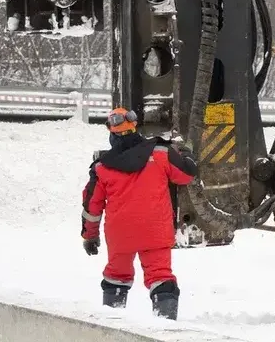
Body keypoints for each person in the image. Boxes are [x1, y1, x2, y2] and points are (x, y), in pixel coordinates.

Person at [80, 106, 198, 320]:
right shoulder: (161, 153)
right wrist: (188, 156)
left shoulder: (102, 167)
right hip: (155, 232)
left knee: (116, 277)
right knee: (161, 278)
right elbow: (186, 175)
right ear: (135, 127)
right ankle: (165, 329)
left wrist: (90, 236)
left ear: (111, 133)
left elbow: (92, 206)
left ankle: (112, 325)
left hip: (120, 235)